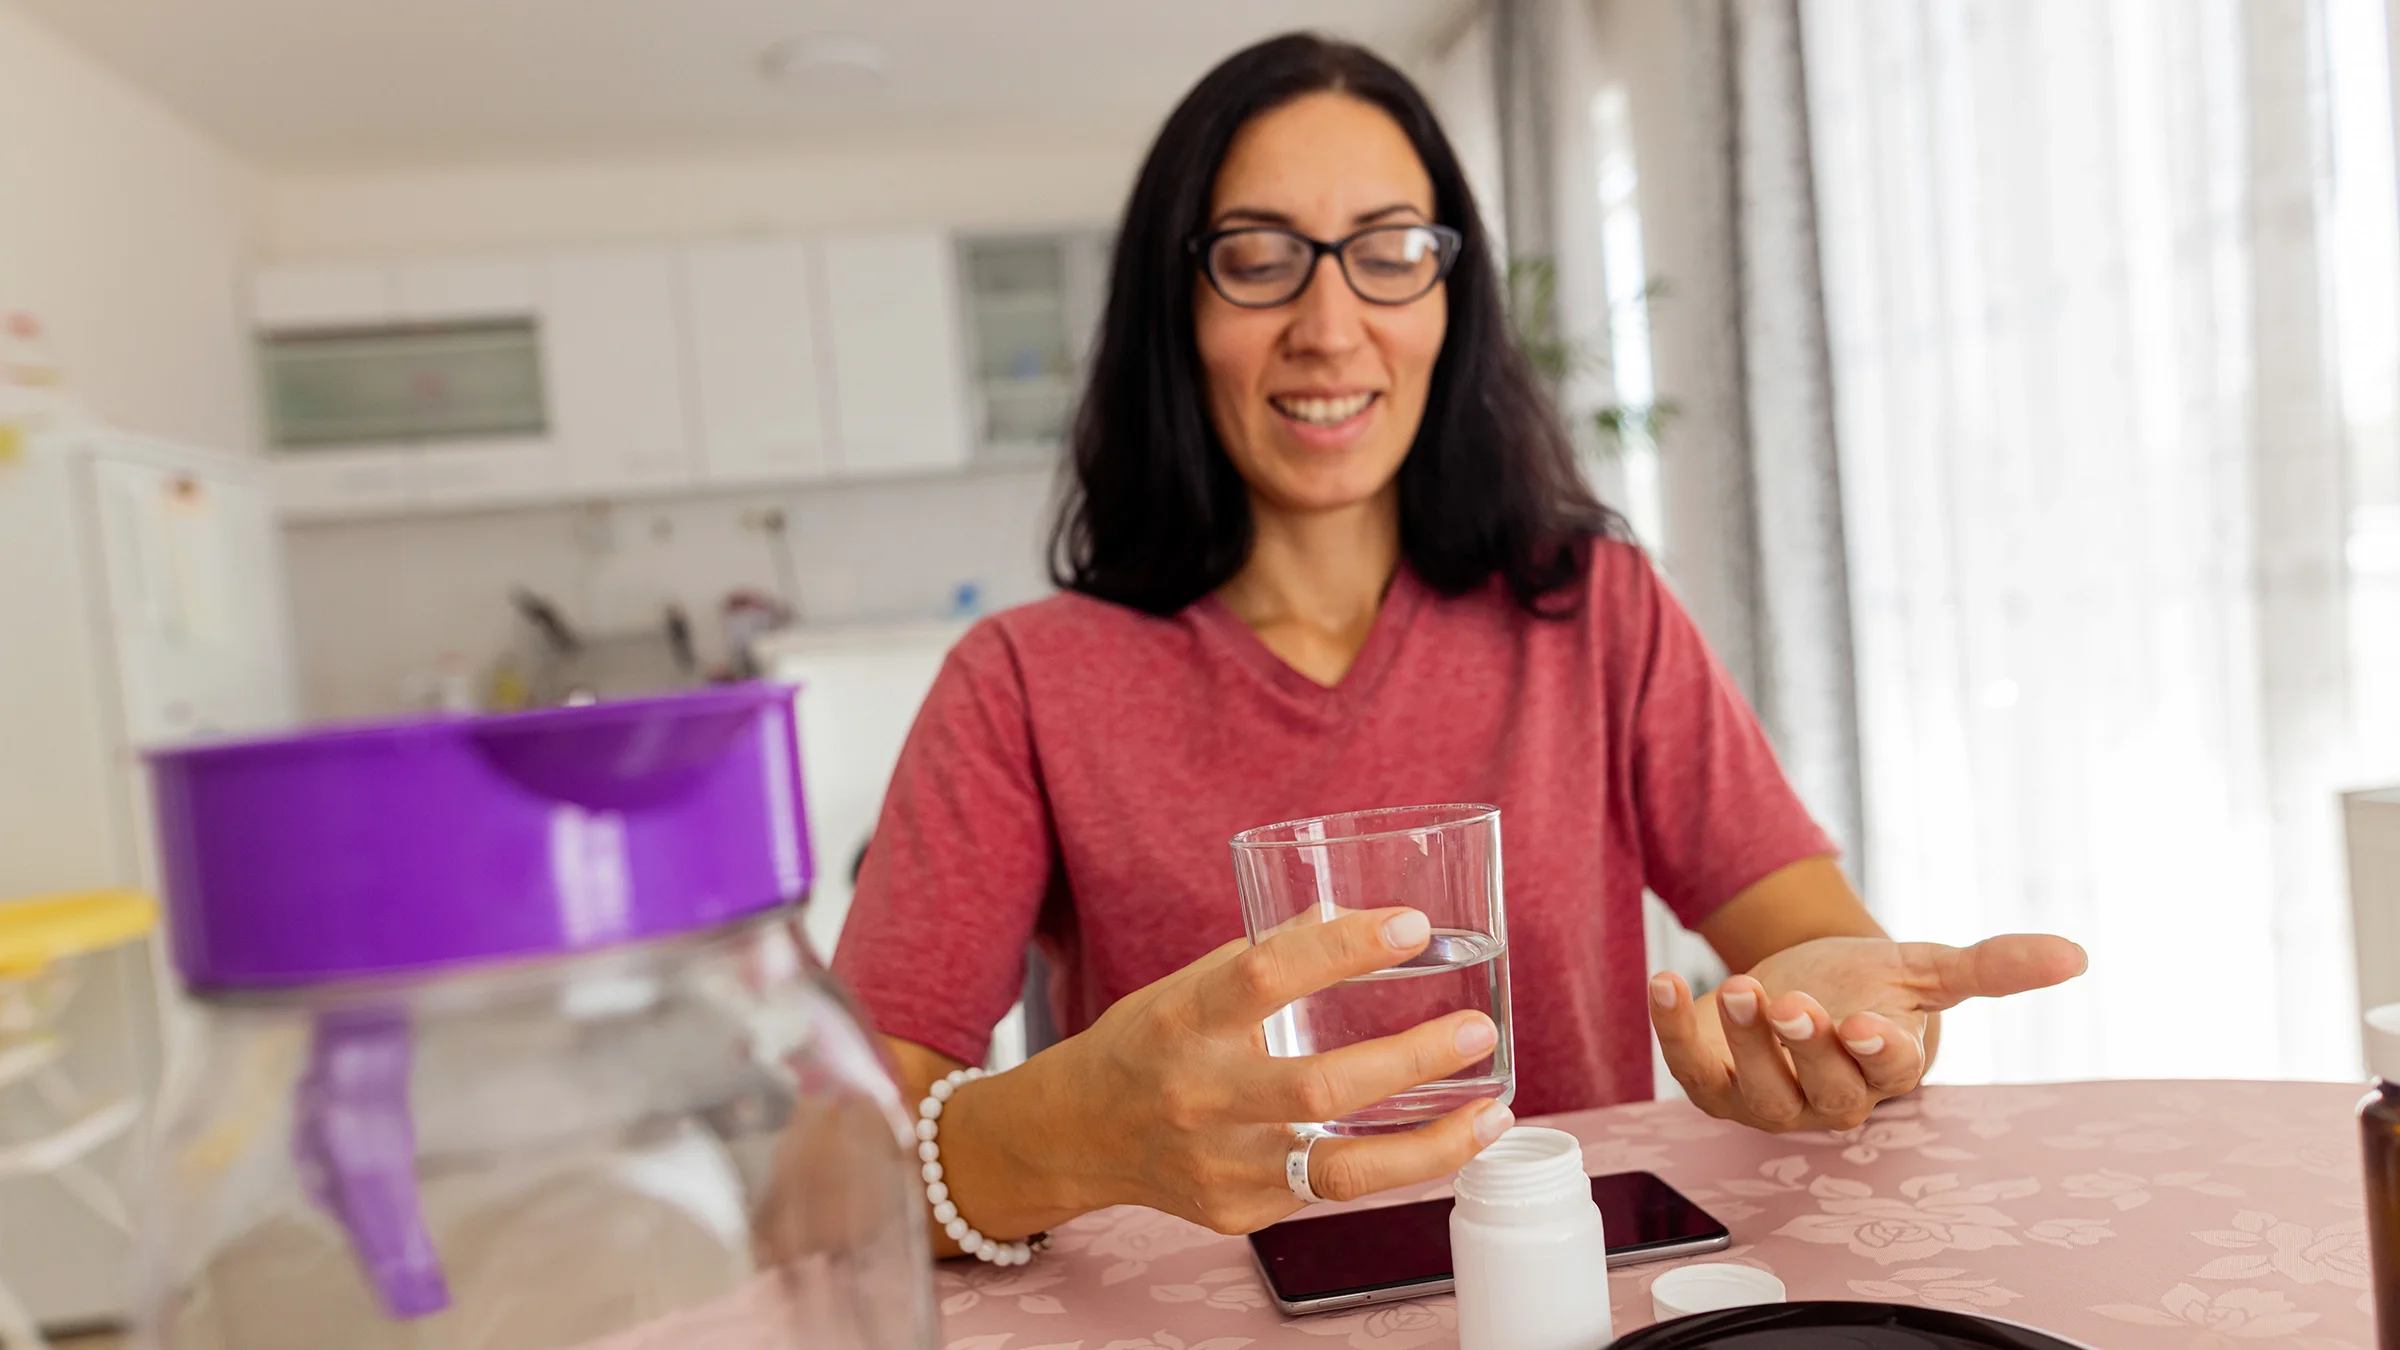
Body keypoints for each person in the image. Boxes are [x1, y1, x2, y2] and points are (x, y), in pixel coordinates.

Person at [829, 32, 2086, 1258]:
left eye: (1388, 253)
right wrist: (1061, 1137)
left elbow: (1817, 957)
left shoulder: (1595, 612)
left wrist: (1831, 1033)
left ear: (1451, 293)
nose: (1329, 325)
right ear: (1176, 304)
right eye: (1259, 258)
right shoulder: (1022, 685)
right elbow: (833, 1166)